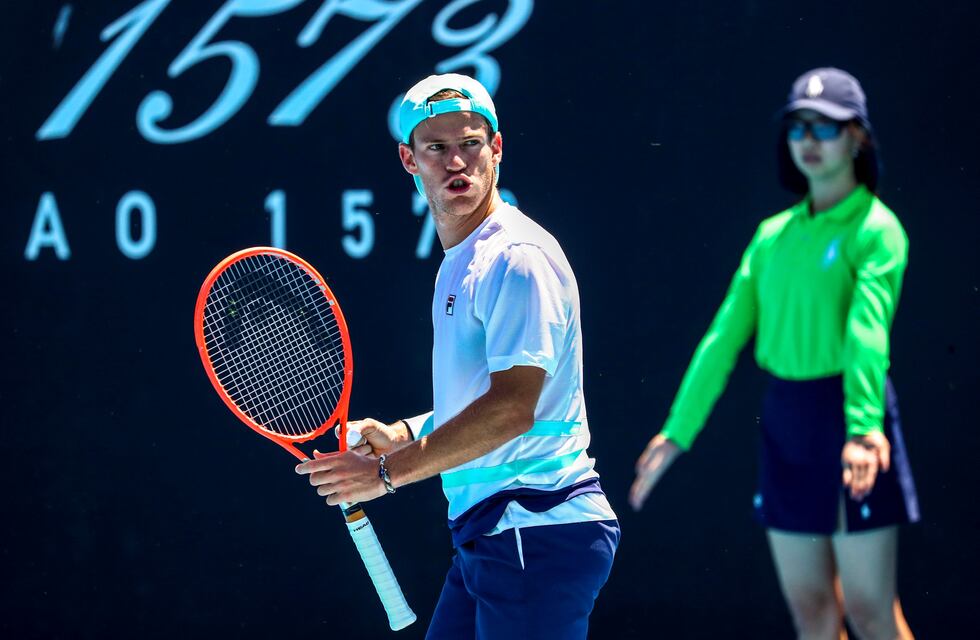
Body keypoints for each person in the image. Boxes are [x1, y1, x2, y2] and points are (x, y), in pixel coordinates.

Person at [296, 73, 619, 639]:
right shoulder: (463, 260)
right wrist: (403, 432)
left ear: (496, 148)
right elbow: (487, 400)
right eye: (436, 148)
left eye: (470, 144)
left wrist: (384, 474)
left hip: (532, 529)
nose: (456, 163)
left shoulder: (515, 257)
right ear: (409, 161)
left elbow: (514, 410)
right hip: (496, 534)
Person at [629, 68, 919, 640]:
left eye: (826, 127)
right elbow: (722, 338)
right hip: (787, 422)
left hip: (851, 415)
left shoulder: (877, 229)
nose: (809, 140)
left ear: (857, 137)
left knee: (869, 612)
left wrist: (863, 430)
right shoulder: (771, 236)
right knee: (813, 612)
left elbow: (867, 333)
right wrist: (676, 434)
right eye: (798, 127)